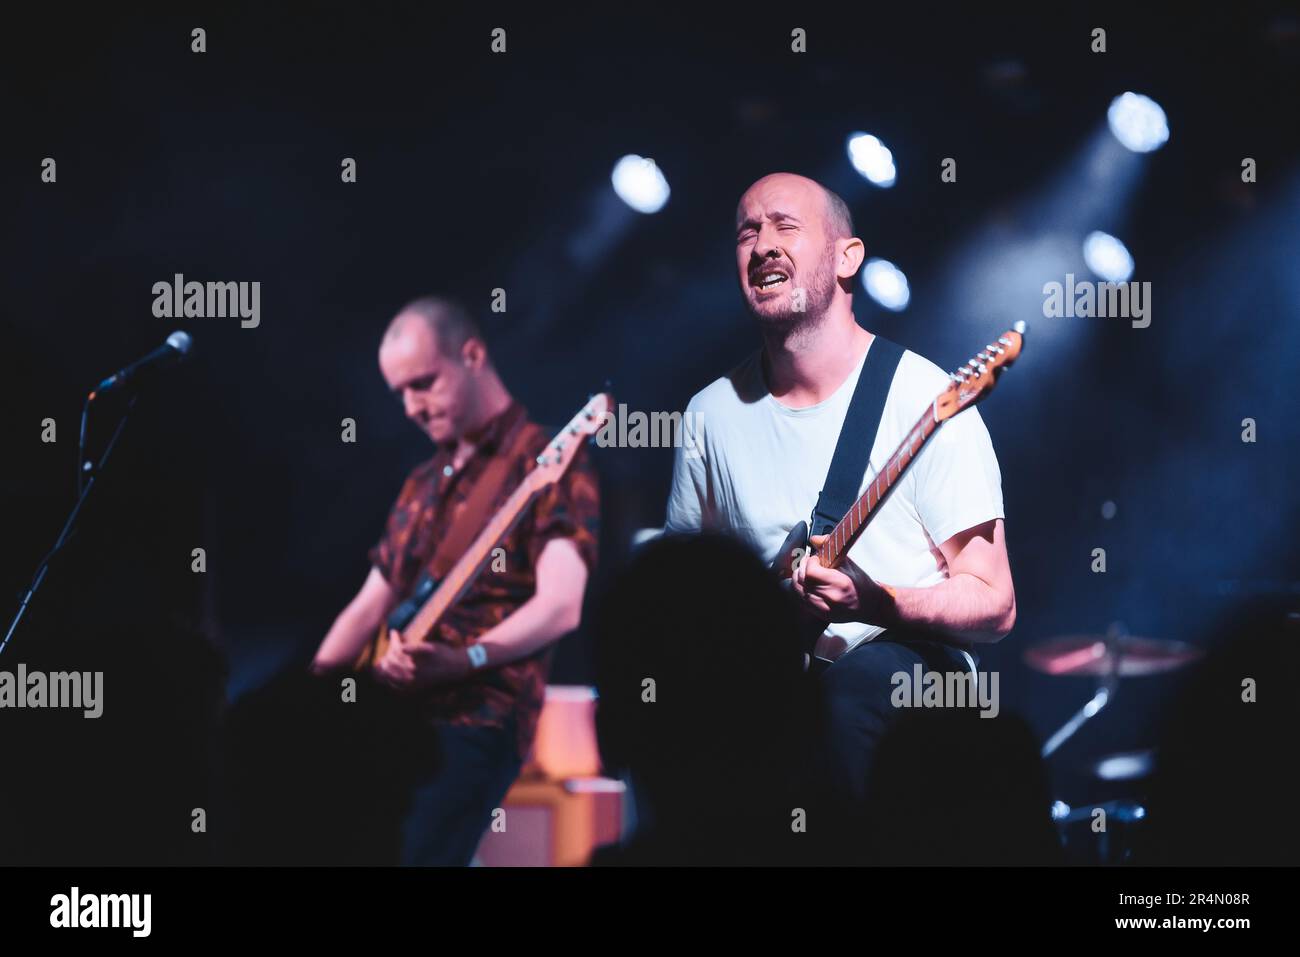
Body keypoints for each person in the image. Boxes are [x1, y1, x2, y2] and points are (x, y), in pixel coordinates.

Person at [664, 173, 1016, 813]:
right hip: (775, 683)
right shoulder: (708, 415)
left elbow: (994, 604)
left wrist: (873, 601)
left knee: (848, 700)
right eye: (748, 231)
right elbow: (692, 597)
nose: (762, 244)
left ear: (848, 257)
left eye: (785, 226)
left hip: (910, 675)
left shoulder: (926, 399)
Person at [310, 296, 599, 865]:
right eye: (400, 394)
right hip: (389, 720)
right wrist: (307, 700)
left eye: (422, 383)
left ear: (472, 355)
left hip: (474, 719)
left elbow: (562, 605)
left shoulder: (544, 458)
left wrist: (461, 659)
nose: (412, 407)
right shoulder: (422, 482)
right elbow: (370, 606)